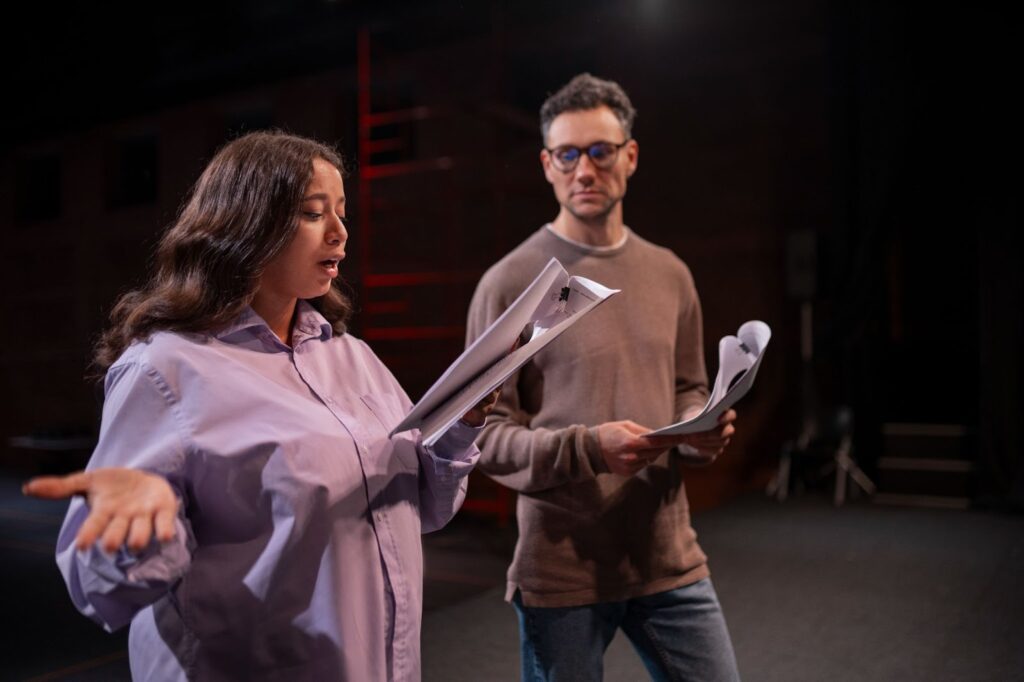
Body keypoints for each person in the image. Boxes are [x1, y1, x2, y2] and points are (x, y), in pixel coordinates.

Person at [23, 130, 496, 681]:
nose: (341, 232)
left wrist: (461, 427)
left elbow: (421, 509)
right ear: (247, 223)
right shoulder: (165, 369)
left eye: (342, 212)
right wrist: (143, 527)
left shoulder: (353, 358)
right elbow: (101, 586)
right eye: (314, 213)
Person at [465, 74, 741, 681]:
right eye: (567, 154)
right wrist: (590, 448)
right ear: (546, 164)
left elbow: (690, 387)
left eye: (600, 151)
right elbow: (484, 438)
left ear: (630, 156)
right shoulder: (510, 285)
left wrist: (700, 432)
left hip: (666, 552)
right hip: (561, 565)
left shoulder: (670, 273)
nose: (583, 169)